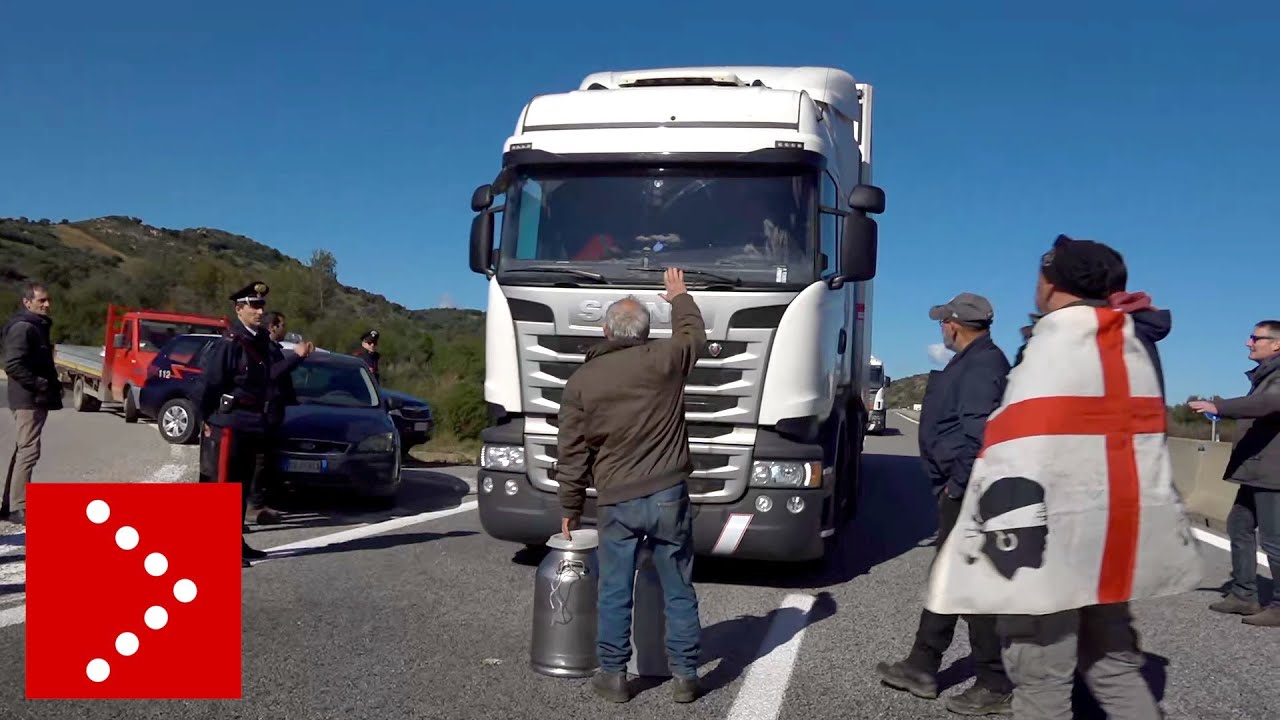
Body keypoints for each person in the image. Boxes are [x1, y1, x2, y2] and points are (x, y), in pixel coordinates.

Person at [923, 235, 1201, 720]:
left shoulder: (1056, 344)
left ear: (1051, 285)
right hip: (1111, 535)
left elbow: (1017, 449)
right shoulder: (1131, 341)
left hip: (1050, 542)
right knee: (1113, 667)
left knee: (1039, 680)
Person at [556, 267, 705, 704]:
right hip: (668, 495)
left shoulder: (582, 381)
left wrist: (569, 505)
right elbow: (693, 335)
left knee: (615, 589)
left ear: (606, 330)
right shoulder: (664, 360)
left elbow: (573, 452)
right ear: (645, 332)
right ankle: (686, 675)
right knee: (678, 585)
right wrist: (678, 296)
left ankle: (615, 675)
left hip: (616, 501)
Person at [876, 292, 1014, 715]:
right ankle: (923, 663)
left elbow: (979, 435)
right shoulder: (977, 361)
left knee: (969, 584)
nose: (941, 329)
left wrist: (956, 486)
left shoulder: (982, 365)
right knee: (949, 578)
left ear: (953, 325)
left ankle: (995, 682)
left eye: (942, 323)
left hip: (970, 489)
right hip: (962, 486)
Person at [1189, 320, 1280, 628]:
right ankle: (1244, 594)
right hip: (1258, 468)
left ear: (1277, 344)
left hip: (1274, 473)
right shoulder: (1266, 375)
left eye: (1256, 337)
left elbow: (1266, 404)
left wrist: (1219, 405)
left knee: (1274, 540)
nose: (1248, 342)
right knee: (1239, 525)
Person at [196, 280, 277, 567]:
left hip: (252, 422)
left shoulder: (261, 341)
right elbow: (211, 383)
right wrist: (204, 418)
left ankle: (235, 541)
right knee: (224, 485)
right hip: (229, 422)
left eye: (261, 305)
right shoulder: (231, 343)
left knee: (240, 485)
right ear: (239, 308)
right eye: (254, 305)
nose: (260, 310)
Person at [243, 311, 313, 525]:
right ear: (273, 327)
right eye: (282, 325)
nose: (285, 329)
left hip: (273, 413)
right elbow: (271, 374)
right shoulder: (262, 348)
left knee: (264, 461)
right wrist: (297, 356)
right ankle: (253, 506)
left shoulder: (273, 349)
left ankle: (257, 502)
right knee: (257, 461)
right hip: (261, 413)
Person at [2, 282, 62, 526]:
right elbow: (13, 364)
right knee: (29, 451)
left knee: (23, 449)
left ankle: (10, 503)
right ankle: (19, 507)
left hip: (33, 398)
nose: (47, 304)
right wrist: (39, 383)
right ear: (27, 302)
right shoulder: (24, 328)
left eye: (48, 300)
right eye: (41, 301)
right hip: (28, 399)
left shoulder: (35, 326)